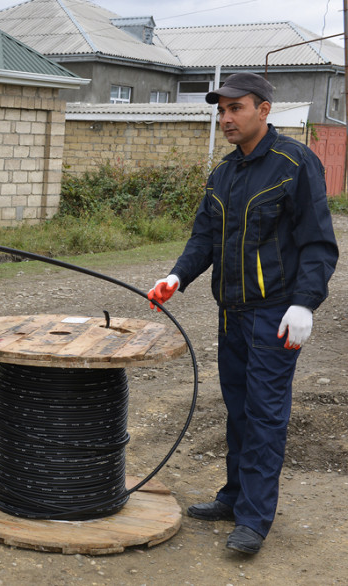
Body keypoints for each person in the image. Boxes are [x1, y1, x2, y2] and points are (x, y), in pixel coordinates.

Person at [148, 72, 338, 554]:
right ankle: (234, 497)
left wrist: (304, 302)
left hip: (275, 316)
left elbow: (318, 241)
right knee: (238, 411)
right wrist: (177, 276)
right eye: (222, 110)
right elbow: (203, 238)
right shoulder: (224, 174)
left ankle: (254, 519)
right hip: (231, 315)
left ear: (264, 110)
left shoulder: (295, 163)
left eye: (236, 108)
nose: (226, 118)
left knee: (265, 414)